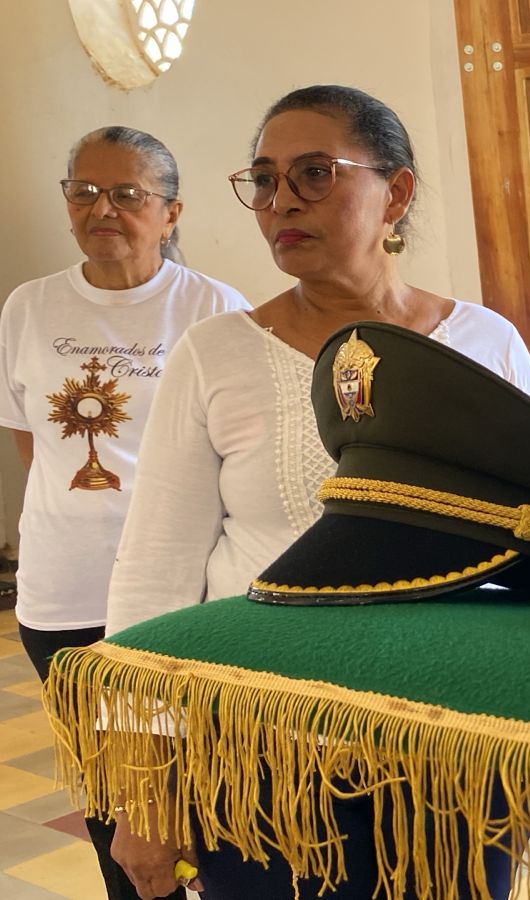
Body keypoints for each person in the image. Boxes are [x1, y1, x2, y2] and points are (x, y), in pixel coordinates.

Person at [103, 85, 530, 900]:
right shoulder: (217, 354)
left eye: (315, 173)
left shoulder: (486, 343)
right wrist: (145, 782)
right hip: (261, 753)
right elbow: (155, 573)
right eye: (265, 180)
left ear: (398, 192)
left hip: (455, 746)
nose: (281, 203)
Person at [0, 125, 247, 900]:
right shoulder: (29, 307)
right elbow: (30, 443)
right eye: (84, 190)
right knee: (115, 813)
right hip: (63, 591)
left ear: (171, 213)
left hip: (186, 595)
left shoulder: (215, 310)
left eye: (128, 194)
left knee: (210, 798)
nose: (101, 207)